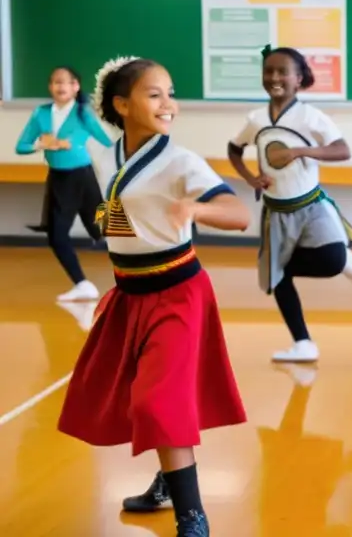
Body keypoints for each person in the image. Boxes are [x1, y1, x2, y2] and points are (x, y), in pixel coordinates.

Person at [56, 56, 250, 537]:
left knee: (157, 403)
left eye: (170, 92)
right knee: (142, 398)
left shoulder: (180, 161)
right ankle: (167, 479)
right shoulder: (104, 156)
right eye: (154, 94)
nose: (169, 104)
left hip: (177, 293)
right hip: (128, 294)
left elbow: (238, 213)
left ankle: (192, 516)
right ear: (121, 105)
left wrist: (196, 209)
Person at [227, 45, 352, 364]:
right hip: (275, 212)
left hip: (311, 206)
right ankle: (302, 342)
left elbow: (342, 150)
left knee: (331, 261)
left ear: (299, 78)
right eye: (269, 71)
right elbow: (234, 150)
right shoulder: (255, 119)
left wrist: (302, 152)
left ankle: (342, 255)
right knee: (277, 277)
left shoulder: (311, 117)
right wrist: (251, 179)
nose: (275, 77)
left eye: (283, 72)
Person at [15, 66, 113, 301]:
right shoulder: (41, 114)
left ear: (75, 87)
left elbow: (107, 141)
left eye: (65, 82)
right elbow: (21, 146)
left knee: (104, 228)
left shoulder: (83, 114)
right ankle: (82, 284)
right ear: (50, 87)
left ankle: (145, 267)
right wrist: (41, 144)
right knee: (56, 235)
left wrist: (76, 143)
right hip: (59, 180)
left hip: (83, 178)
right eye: (55, 82)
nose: (60, 86)